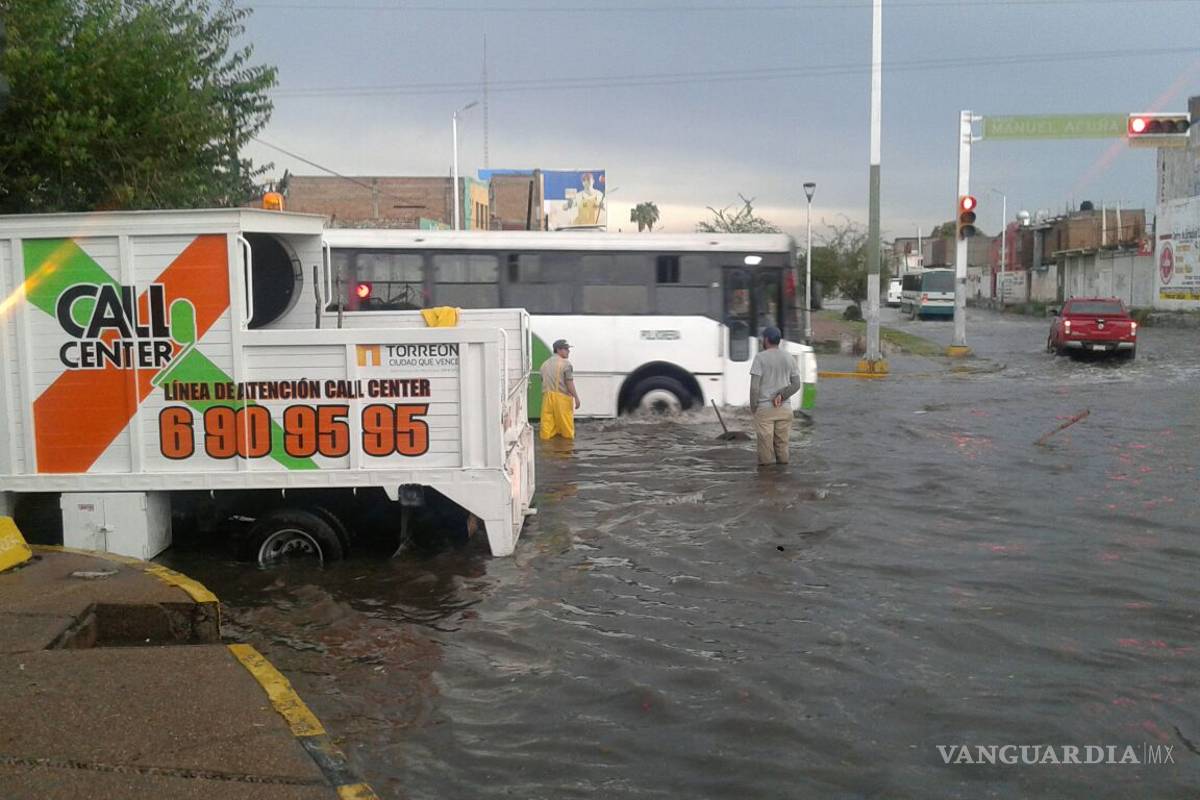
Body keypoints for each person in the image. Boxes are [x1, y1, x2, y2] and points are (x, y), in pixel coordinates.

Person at [749, 326, 802, 466]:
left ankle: (766, 484)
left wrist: (754, 407)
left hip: (765, 409)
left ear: (766, 340)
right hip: (785, 409)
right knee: (782, 448)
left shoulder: (760, 358)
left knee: (765, 453)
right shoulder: (789, 358)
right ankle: (783, 481)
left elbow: (754, 387)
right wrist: (782, 395)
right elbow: (796, 384)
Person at [539, 339, 580, 440]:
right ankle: (566, 453)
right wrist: (576, 398)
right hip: (562, 399)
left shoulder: (544, 365)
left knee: (547, 430)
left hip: (547, 399)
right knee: (567, 430)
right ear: (558, 350)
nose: (568, 351)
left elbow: (542, 380)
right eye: (566, 349)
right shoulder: (566, 364)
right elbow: (569, 383)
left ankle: (548, 453)